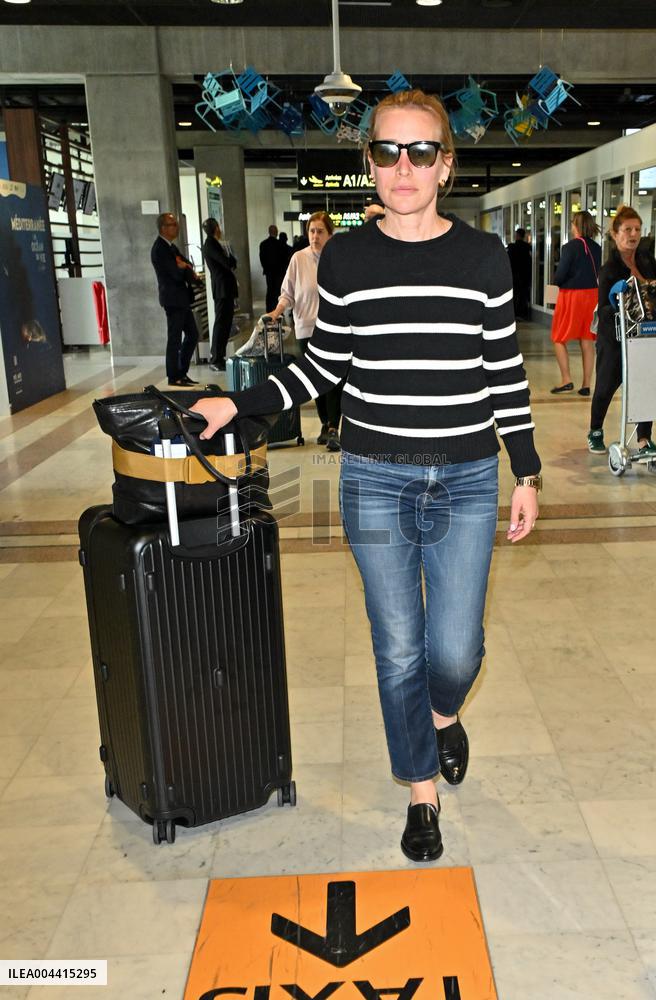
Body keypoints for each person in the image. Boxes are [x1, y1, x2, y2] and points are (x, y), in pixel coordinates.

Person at [192, 89, 541, 863]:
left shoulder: (482, 257)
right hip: (376, 477)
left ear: (445, 165)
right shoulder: (345, 258)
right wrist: (238, 403)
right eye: (388, 151)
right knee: (398, 649)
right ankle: (420, 790)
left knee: (453, 652)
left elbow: (505, 373)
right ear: (370, 163)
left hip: (467, 477)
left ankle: (443, 716)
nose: (404, 166)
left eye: (421, 152)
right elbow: (322, 369)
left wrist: (527, 471)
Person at [588, 206, 656, 455]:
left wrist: (651, 284)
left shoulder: (645, 259)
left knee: (646, 386)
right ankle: (595, 431)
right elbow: (602, 309)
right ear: (615, 233)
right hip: (615, 337)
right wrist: (616, 305)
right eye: (627, 230)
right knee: (605, 387)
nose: (633, 234)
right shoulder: (609, 269)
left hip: (645, 335)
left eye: (637, 229)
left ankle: (644, 440)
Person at [266, 211, 343, 452]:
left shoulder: (339, 259)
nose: (315, 236)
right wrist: (276, 312)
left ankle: (333, 427)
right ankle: (324, 423)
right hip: (306, 328)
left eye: (320, 231)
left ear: (330, 235)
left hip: (335, 328)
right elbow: (287, 292)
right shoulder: (298, 259)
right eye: (311, 231)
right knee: (317, 379)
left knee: (334, 379)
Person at [549, 211, 601, 396]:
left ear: (576, 225)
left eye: (572, 224)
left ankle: (566, 379)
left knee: (558, 337)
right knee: (587, 340)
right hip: (592, 296)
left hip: (571, 296)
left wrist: (556, 281)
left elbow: (560, 275)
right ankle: (586, 385)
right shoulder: (597, 247)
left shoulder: (569, 247)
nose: (571, 227)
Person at [150, 212, 200, 386]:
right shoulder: (160, 248)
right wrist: (182, 266)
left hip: (182, 298)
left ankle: (182, 371)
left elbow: (187, 265)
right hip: (172, 299)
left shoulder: (172, 247)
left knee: (193, 335)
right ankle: (174, 375)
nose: (176, 227)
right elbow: (175, 274)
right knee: (175, 339)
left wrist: (184, 265)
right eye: (173, 225)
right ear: (163, 228)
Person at [201, 217, 239, 371]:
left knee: (225, 323)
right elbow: (227, 263)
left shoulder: (214, 243)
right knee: (221, 323)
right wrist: (230, 257)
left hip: (226, 289)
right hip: (222, 289)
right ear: (216, 228)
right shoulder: (211, 244)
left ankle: (220, 357)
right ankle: (215, 358)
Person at [259, 224, 289, 312]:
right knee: (277, 291)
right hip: (279, 272)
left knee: (270, 290)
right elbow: (284, 258)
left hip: (269, 272)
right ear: (276, 232)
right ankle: (277, 311)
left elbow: (262, 258)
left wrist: (266, 268)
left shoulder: (263, 244)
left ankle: (269, 310)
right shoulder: (280, 244)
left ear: (269, 232)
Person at [507, 228, 532, 321]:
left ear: (517, 235)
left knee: (514, 295)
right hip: (524, 276)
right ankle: (521, 314)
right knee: (523, 295)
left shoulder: (512, 247)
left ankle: (513, 314)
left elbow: (509, 261)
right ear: (524, 236)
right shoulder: (527, 247)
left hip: (514, 276)